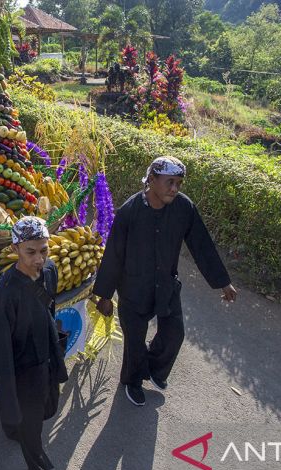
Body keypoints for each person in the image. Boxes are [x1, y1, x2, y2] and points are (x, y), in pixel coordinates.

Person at [92, 156, 238, 407]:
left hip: (166, 285)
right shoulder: (129, 212)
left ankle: (154, 370)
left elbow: (201, 245)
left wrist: (223, 282)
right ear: (151, 180)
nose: (175, 188)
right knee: (135, 343)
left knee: (175, 333)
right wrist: (105, 296)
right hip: (133, 289)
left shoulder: (184, 208)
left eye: (179, 183)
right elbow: (113, 256)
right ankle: (133, 382)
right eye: (169, 182)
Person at [0, 216, 68, 470]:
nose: (38, 259)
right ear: (14, 250)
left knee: (45, 408)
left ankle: (12, 428)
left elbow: (49, 309)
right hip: (23, 369)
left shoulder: (50, 271)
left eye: (44, 250)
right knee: (31, 426)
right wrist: (9, 399)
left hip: (45, 357)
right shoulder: (5, 292)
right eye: (30, 252)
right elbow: (0, 351)